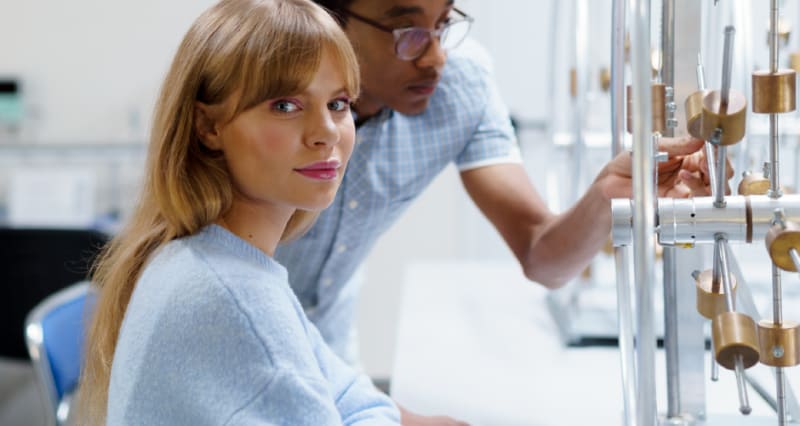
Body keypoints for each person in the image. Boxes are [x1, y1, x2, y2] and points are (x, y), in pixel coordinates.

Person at [273, 0, 724, 421]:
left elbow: (541, 253)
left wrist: (609, 194)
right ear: (328, 18)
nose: (435, 58)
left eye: (444, 24)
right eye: (406, 31)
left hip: (331, 355)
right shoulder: (258, 90)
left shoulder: (459, 86)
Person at [78, 0, 401, 424]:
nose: (325, 132)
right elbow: (358, 404)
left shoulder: (216, 260)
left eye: (339, 104)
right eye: (285, 105)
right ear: (208, 127)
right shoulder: (231, 299)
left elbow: (353, 394)